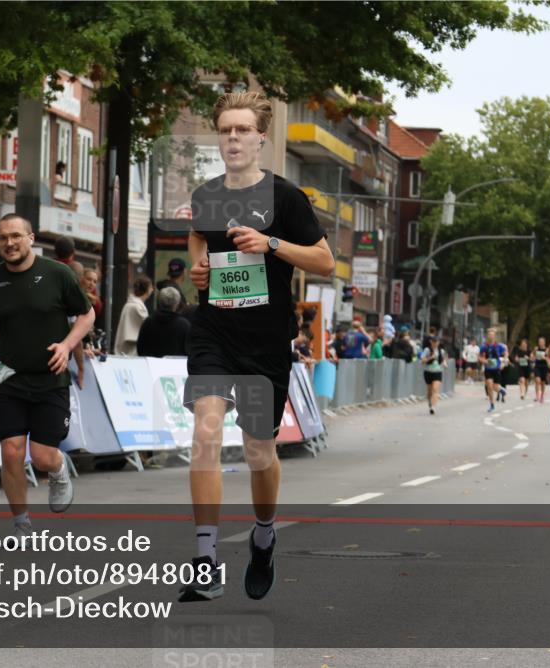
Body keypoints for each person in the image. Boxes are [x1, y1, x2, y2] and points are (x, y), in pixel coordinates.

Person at [180, 91, 334, 603]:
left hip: (265, 339)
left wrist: (269, 244)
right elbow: (199, 250)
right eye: (226, 130)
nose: (233, 138)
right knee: (204, 430)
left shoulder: (286, 197)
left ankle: (264, 535)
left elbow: (324, 262)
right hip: (213, 330)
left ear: (260, 138)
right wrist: (200, 274)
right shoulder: (205, 196)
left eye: (242, 130)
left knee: (258, 452)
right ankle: (205, 560)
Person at [0, 214, 94, 535]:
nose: (9, 243)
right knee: (10, 450)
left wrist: (66, 346)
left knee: (42, 457)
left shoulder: (57, 274)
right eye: (3, 237)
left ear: (31, 238)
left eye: (16, 236)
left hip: (50, 377)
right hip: (8, 375)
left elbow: (87, 313)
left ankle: (59, 469)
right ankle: (21, 522)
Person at [137, 286, 190, 357]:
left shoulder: (148, 322)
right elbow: (189, 351)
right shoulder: (184, 325)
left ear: (159, 302)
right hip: (176, 367)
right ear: (176, 304)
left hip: (152, 366)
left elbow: (140, 349)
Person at [113, 275, 153, 356]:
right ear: (147, 290)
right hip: (131, 351)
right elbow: (148, 327)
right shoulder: (136, 307)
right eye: (151, 287)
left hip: (127, 350)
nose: (152, 289)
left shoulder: (131, 304)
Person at [479, 328, 508, 412]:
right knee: (489, 385)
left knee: (495, 387)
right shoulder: (484, 346)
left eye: (492, 335)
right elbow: (480, 357)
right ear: (487, 336)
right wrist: (484, 360)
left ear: (494, 336)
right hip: (488, 369)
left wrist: (504, 362)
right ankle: (492, 405)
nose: (491, 336)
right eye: (489, 335)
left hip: (496, 369)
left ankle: (501, 390)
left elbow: (505, 353)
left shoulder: (499, 346)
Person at [421, 335, 447, 415]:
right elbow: (422, 361)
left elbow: (444, 358)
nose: (435, 343)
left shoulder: (441, 351)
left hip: (437, 372)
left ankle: (433, 407)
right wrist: (430, 358)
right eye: (434, 342)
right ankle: (430, 402)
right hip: (428, 372)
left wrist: (445, 363)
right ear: (431, 342)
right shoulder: (427, 350)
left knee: (435, 389)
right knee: (429, 390)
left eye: (437, 342)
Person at [533, 336, 549, 403]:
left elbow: (549, 359)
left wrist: (544, 358)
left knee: (542, 382)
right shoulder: (536, 349)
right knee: (537, 381)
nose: (541, 343)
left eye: (542, 342)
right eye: (539, 342)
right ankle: (537, 396)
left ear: (544, 342)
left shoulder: (547, 349)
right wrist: (533, 357)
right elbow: (533, 356)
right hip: (537, 366)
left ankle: (542, 396)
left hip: (544, 367)